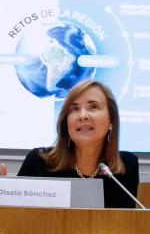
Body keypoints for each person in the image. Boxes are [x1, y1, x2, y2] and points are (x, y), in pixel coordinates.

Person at [17, 80, 139, 209]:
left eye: (93, 107)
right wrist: (3, 200)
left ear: (111, 120)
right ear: (66, 122)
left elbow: (123, 224)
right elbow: (16, 218)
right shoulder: (38, 161)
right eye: (75, 109)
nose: (82, 115)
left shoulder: (126, 165)